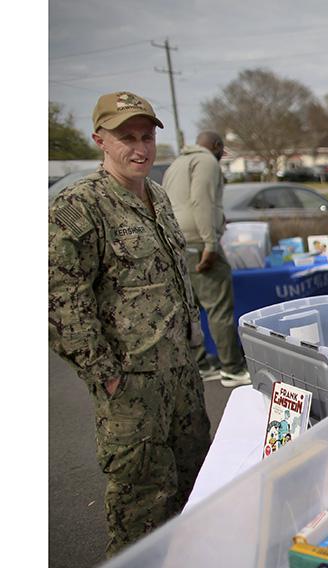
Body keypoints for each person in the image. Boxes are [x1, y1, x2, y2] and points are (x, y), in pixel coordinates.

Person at [48, 91, 212, 557]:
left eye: (146, 137)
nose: (139, 148)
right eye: (126, 138)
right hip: (132, 390)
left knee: (193, 491)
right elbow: (59, 298)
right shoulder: (79, 208)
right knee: (142, 507)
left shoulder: (157, 196)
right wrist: (105, 373)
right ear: (100, 139)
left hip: (181, 375)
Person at [163, 131, 251, 387]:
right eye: (222, 151)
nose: (222, 156)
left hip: (178, 241)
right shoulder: (206, 161)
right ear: (215, 146)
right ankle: (232, 369)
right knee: (219, 308)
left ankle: (202, 363)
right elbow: (202, 201)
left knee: (190, 307)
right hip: (199, 242)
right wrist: (210, 243)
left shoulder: (177, 163)